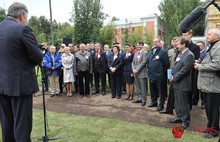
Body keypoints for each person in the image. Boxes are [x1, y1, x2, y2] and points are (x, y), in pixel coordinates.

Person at [0, 2, 43, 142]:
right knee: (22, 127)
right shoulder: (22, 29)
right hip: (20, 85)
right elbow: (37, 57)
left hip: (2, 84)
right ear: (22, 15)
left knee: (7, 125)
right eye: (27, 16)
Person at [194, 29, 220, 139]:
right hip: (207, 84)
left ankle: (213, 131)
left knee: (213, 110)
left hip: (212, 85)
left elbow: (217, 64)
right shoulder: (213, 46)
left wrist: (201, 67)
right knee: (209, 109)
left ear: (217, 36)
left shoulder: (218, 47)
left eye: (209, 34)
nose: (207, 36)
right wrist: (200, 62)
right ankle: (211, 128)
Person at [169, 36, 194, 129]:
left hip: (182, 83)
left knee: (183, 104)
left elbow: (185, 70)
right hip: (176, 82)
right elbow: (177, 66)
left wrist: (174, 77)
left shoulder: (189, 55)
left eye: (178, 44)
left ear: (184, 44)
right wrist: (172, 76)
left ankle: (186, 121)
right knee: (177, 102)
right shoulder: (180, 53)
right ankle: (179, 117)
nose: (176, 45)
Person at [147, 38, 169, 111]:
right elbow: (149, 62)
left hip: (160, 75)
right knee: (152, 90)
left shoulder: (162, 52)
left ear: (159, 43)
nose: (154, 43)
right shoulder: (151, 52)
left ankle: (161, 105)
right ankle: (154, 102)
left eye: (156, 42)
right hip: (151, 74)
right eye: (153, 42)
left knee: (161, 91)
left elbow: (166, 64)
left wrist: (162, 72)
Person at [182, 30, 200, 107]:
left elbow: (195, 59)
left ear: (190, 35)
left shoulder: (195, 47)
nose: (183, 37)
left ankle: (193, 100)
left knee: (192, 85)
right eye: (183, 35)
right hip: (183, 69)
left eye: (185, 35)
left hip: (191, 70)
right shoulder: (182, 46)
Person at [132, 41, 148, 106]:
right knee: (138, 87)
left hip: (142, 73)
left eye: (139, 45)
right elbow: (132, 62)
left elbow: (143, 63)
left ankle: (144, 100)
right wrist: (133, 70)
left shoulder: (145, 53)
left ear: (142, 45)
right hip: (135, 73)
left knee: (143, 87)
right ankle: (139, 98)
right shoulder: (136, 53)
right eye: (137, 45)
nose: (138, 46)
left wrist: (137, 70)